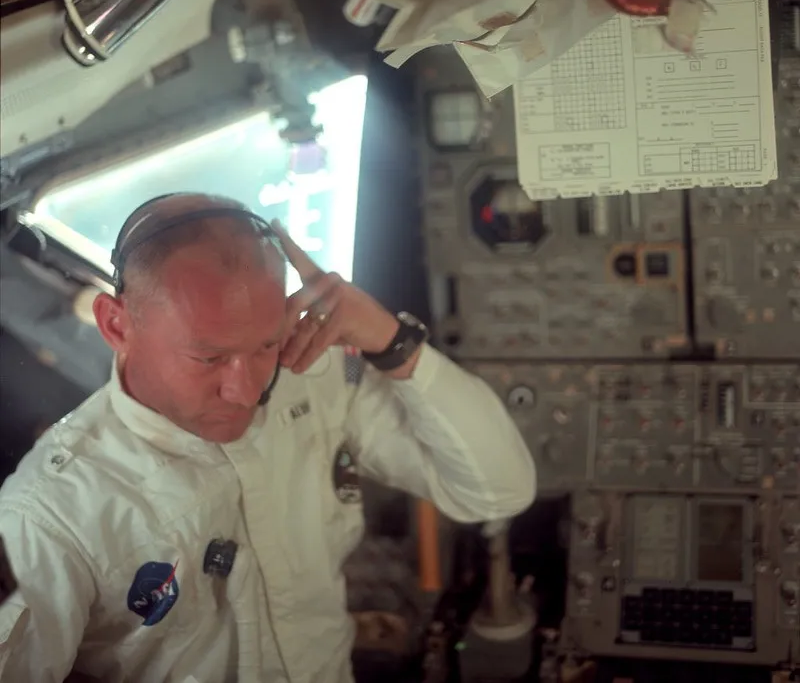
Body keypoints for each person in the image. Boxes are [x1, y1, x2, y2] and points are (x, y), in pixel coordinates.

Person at [0, 193, 535, 683]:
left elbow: (495, 492)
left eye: (265, 346)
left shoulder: (315, 380)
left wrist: (393, 342)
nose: (245, 389)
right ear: (116, 325)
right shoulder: (51, 513)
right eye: (209, 357)